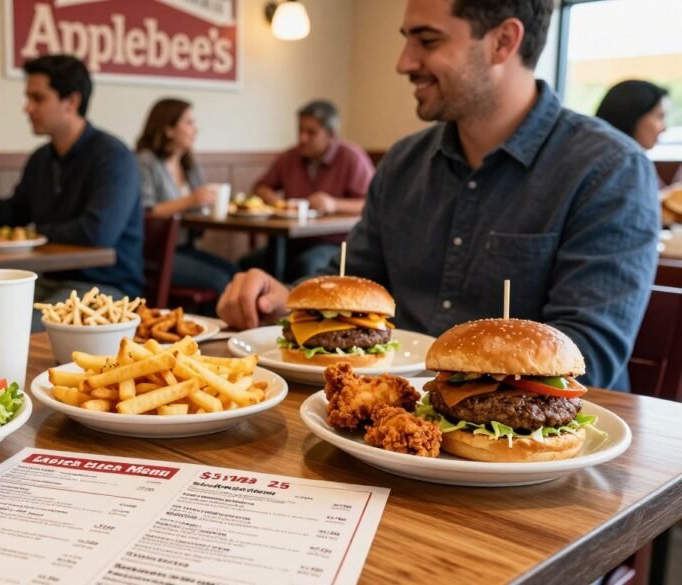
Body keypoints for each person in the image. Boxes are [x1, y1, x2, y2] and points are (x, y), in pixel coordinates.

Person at [217, 0, 660, 391]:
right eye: (407, 39)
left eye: (426, 40)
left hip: (547, 468)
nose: (404, 62)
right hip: (382, 425)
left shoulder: (609, 169)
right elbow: (354, 281)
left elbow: (591, 357)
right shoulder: (402, 162)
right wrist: (281, 298)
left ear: (503, 41)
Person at [0, 55, 143, 329]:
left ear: (72, 102)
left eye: (37, 99)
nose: (27, 108)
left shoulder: (113, 156)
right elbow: (14, 216)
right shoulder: (41, 158)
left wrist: (35, 234)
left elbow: (98, 232)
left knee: (10, 328)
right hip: (49, 280)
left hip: (105, 287)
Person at [241, 99, 376, 281]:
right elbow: (261, 186)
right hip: (292, 240)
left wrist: (334, 204)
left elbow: (372, 205)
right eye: (300, 131)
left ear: (331, 134)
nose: (303, 138)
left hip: (336, 244)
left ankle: (294, 308)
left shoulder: (352, 158)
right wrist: (272, 198)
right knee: (247, 265)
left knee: (308, 264)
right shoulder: (291, 156)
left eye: (311, 132)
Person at [136, 98, 238, 294]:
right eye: (189, 122)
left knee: (236, 274)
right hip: (155, 254)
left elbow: (200, 206)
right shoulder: (146, 161)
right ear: (168, 129)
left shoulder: (189, 164)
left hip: (185, 247)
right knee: (221, 280)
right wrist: (190, 201)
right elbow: (146, 211)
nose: (196, 129)